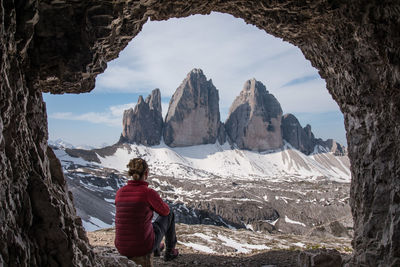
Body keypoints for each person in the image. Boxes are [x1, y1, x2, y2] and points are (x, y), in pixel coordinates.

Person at [114, 158, 179, 262]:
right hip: (143, 247)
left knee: (146, 223)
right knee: (169, 213)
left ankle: (157, 248)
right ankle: (170, 252)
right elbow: (165, 211)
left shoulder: (120, 192)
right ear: (146, 173)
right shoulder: (148, 192)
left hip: (121, 247)